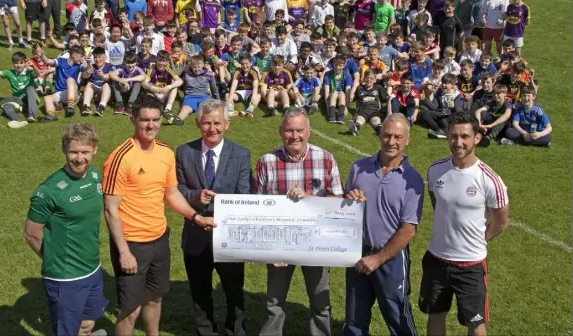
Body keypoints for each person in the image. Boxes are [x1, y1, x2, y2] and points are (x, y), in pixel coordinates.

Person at [102, 95, 216, 336]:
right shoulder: (120, 157)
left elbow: (172, 194)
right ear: (133, 119)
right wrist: (123, 251)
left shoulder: (165, 152)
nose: (151, 125)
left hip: (159, 239)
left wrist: (196, 217)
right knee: (129, 309)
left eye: (155, 119)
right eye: (144, 120)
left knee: (154, 298)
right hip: (132, 243)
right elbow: (110, 209)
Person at [254, 107, 344, 336]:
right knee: (274, 302)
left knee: (320, 301)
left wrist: (312, 199)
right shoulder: (267, 161)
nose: (295, 136)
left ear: (309, 131)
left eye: (300, 130)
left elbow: (337, 200)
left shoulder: (325, 158)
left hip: (315, 242)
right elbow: (258, 207)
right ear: (280, 131)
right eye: (289, 130)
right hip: (279, 244)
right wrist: (270, 249)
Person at [420, 111, 509, 336]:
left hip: (470, 265)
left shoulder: (490, 179)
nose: (458, 142)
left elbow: (500, 223)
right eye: (453, 136)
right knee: (435, 315)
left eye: (464, 137)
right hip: (436, 259)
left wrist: (477, 240)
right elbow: (437, 203)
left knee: (476, 325)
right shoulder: (435, 170)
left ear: (476, 138)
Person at [175, 99, 251, 336]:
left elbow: (244, 194)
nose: (212, 129)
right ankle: (206, 331)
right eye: (207, 123)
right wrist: (196, 196)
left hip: (229, 237)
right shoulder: (184, 152)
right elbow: (176, 189)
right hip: (196, 236)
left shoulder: (240, 154)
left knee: (234, 291)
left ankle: (235, 330)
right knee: (200, 292)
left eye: (217, 123)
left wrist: (223, 206)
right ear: (198, 123)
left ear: (227, 124)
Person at [343, 113, 423, 336]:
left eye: (398, 137)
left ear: (407, 140)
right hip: (357, 253)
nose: (391, 142)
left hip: (392, 258)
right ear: (380, 136)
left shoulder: (412, 180)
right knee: (354, 319)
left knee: (397, 315)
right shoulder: (358, 168)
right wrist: (348, 197)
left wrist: (378, 259)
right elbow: (342, 203)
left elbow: (409, 229)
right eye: (387, 135)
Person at [25, 123, 107, 336]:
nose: (80, 158)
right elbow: (32, 234)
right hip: (66, 277)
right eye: (74, 152)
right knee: (67, 331)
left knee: (88, 324)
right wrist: (52, 258)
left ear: (94, 150)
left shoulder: (96, 177)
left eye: (85, 152)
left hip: (93, 268)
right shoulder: (48, 191)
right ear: (64, 150)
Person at [0, 54, 39, 128]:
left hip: (32, 99)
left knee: (29, 88)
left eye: (21, 63)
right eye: (16, 63)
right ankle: (17, 121)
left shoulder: (29, 72)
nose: (18, 65)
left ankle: (31, 115)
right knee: (6, 106)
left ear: (25, 63)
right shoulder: (10, 73)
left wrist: (33, 66)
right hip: (19, 100)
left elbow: (37, 74)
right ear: (12, 63)